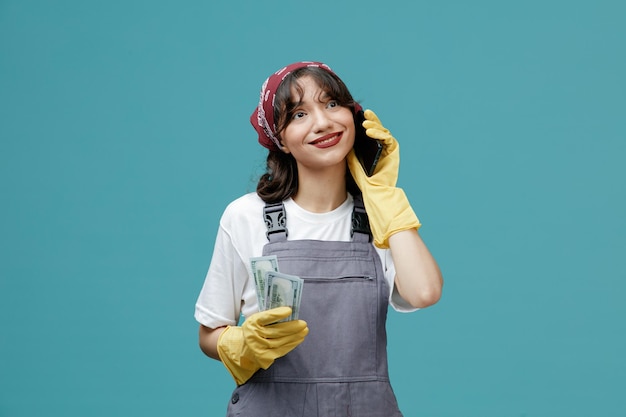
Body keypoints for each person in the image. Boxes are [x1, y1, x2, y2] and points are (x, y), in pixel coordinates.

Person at [195, 61, 443, 416]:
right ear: (279, 138)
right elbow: (208, 334)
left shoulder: (379, 218)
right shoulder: (245, 216)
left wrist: (384, 196)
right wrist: (240, 343)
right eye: (298, 114)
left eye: (331, 104)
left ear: (353, 116)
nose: (323, 122)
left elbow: (425, 292)